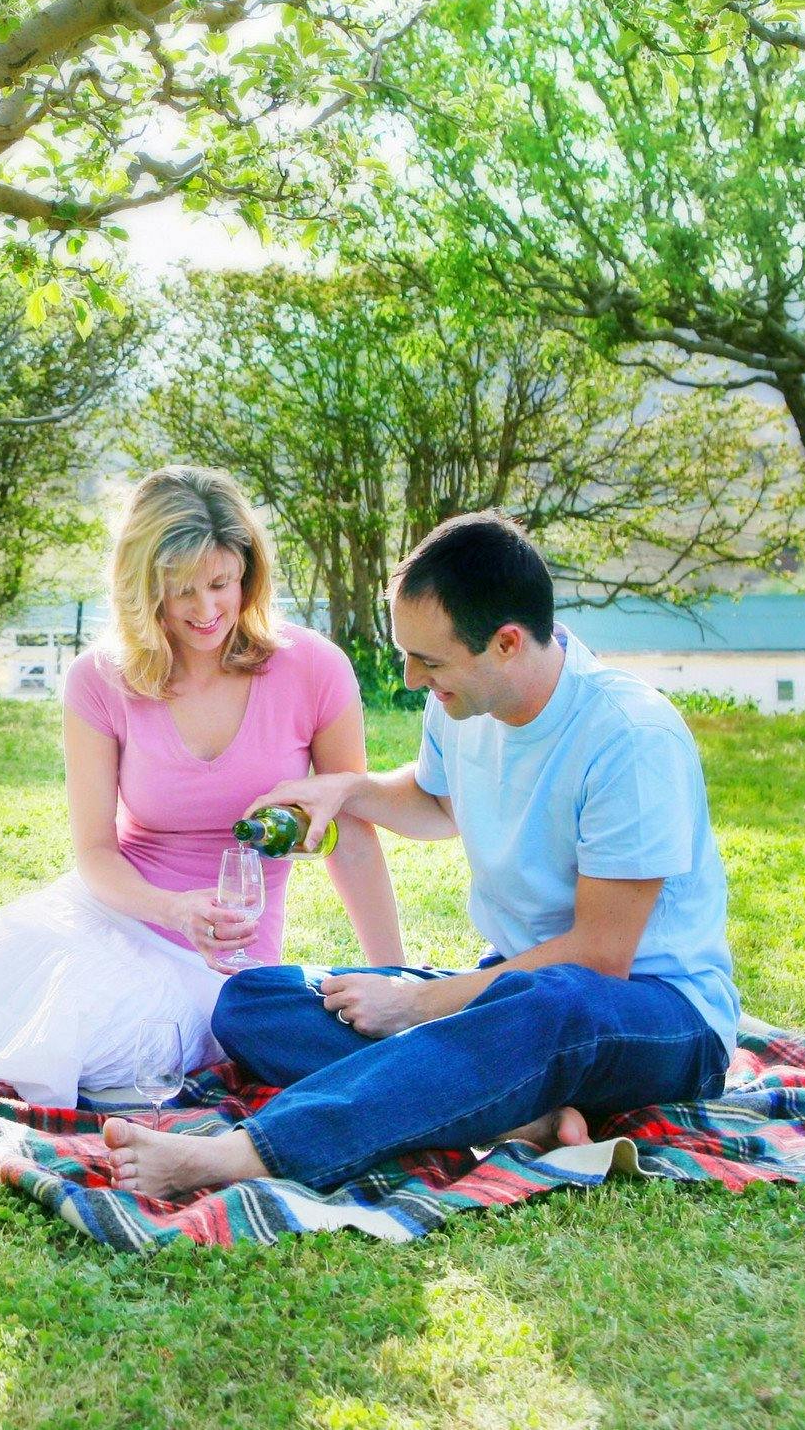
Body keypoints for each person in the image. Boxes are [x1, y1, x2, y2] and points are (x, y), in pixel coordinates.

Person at [105, 511, 739, 1197]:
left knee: (550, 1001)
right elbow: (437, 804)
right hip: (513, 991)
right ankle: (518, 1110)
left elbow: (599, 955)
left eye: (428, 660)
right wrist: (344, 789)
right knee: (254, 1001)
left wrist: (419, 1002)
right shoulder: (463, 702)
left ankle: (247, 1152)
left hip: (651, 1011)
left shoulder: (629, 738)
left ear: (504, 643)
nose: (410, 678)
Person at [0, 465, 403, 1108]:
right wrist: (173, 910)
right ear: (143, 589)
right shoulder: (99, 679)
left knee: (91, 1039)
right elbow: (94, 852)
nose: (205, 611)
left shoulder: (313, 668)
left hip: (219, 964)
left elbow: (352, 835)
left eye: (221, 584)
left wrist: (399, 986)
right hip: (112, 913)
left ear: (248, 573)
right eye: (181, 591)